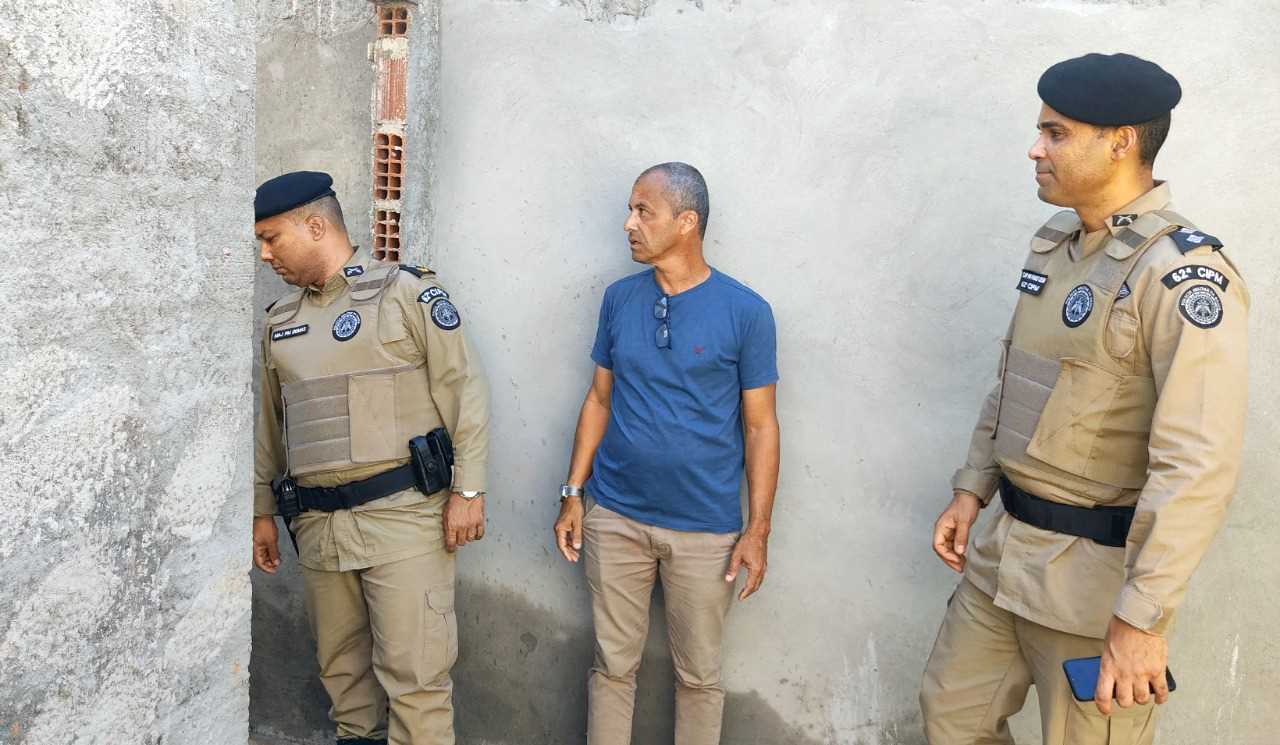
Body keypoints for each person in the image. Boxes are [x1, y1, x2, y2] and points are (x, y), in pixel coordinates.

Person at [919, 53, 1248, 745]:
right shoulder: (1056, 248)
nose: (1035, 148)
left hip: (1094, 592)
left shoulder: (1181, 274)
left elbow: (1198, 465)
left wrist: (1142, 618)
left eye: (1056, 133)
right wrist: (971, 488)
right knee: (951, 718)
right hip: (1003, 557)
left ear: (1120, 140)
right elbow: (1012, 379)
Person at [251, 171, 490, 745]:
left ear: (316, 225)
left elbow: (465, 391)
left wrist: (469, 491)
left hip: (404, 520)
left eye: (271, 238)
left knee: (416, 681)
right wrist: (262, 509)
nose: (264, 255)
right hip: (320, 529)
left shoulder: (407, 294)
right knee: (344, 684)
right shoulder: (280, 324)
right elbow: (271, 424)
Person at [553, 162, 782, 745]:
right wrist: (574, 493)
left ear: (687, 222)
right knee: (612, 668)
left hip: (705, 531)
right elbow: (599, 399)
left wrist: (757, 529)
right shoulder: (619, 299)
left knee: (699, 678)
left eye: (642, 211)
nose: (628, 223)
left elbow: (761, 428)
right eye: (630, 209)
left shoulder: (746, 312)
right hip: (616, 517)